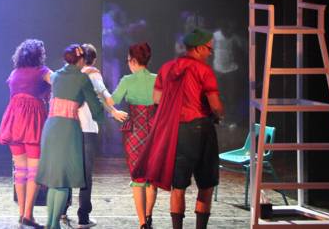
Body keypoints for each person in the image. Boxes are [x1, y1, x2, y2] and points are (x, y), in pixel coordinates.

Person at [132, 28, 224, 229]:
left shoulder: (167, 68)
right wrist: (218, 115)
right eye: (209, 49)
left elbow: (156, 99)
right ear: (198, 48)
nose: (210, 53)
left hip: (176, 133)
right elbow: (216, 106)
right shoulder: (204, 70)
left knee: (178, 187)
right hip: (201, 130)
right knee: (206, 185)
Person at [37, 44, 103, 229]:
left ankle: (52, 223)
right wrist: (103, 116)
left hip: (50, 127)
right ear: (81, 59)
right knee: (64, 180)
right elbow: (96, 107)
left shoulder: (56, 76)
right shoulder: (82, 78)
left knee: (54, 180)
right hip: (67, 128)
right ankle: (53, 225)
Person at [61, 43, 127, 228]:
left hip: (69, 128)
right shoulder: (93, 74)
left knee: (67, 171)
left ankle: (62, 210)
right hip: (87, 128)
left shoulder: (68, 75)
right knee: (85, 175)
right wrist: (113, 111)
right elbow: (102, 96)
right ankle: (83, 218)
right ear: (94, 59)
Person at [0, 39, 52, 229]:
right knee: (34, 170)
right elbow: (59, 81)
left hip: (14, 118)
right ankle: (28, 214)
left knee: (20, 170)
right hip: (32, 119)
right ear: (39, 55)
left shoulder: (14, 73)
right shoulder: (42, 71)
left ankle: (22, 214)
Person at [111, 42, 158, 229]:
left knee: (138, 179)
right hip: (154, 132)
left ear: (132, 61)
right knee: (152, 178)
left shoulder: (127, 80)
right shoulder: (158, 79)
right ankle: (149, 215)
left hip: (134, 133)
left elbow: (112, 100)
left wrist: (108, 106)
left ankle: (142, 223)